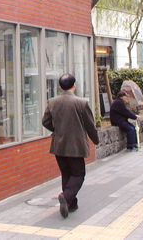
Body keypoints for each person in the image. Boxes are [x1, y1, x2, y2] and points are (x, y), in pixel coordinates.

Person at [42, 74, 99, 218]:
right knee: (78, 173)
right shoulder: (81, 103)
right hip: (76, 144)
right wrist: (96, 140)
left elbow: (45, 121)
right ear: (74, 85)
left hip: (59, 144)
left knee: (66, 173)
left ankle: (71, 204)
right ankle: (66, 197)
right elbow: (90, 125)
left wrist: (57, 130)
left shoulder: (52, 102)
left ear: (60, 86)